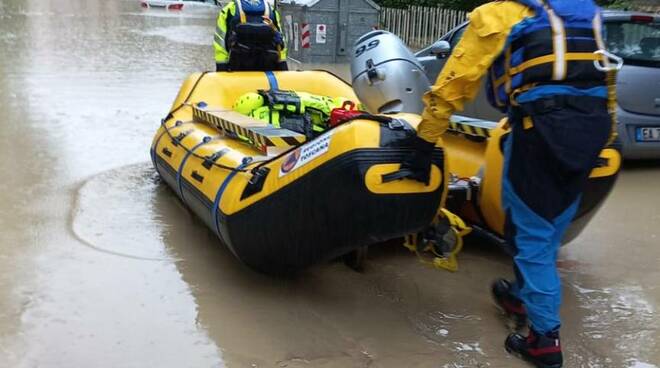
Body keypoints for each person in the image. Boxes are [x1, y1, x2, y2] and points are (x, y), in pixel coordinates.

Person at [401, 1, 616, 367]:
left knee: (531, 232)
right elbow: (605, 77)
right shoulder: (587, 10)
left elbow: (458, 78)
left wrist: (425, 141)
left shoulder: (501, 12)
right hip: (591, 128)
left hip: (541, 129)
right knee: (547, 220)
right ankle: (520, 294)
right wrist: (605, 137)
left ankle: (544, 341)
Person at [213, 0, 288, 72]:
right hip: (267, 70)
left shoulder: (228, 10)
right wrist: (283, 66)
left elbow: (220, 42)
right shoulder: (271, 11)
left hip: (238, 69)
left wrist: (221, 68)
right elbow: (280, 43)